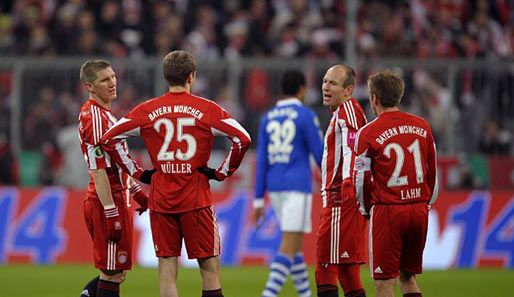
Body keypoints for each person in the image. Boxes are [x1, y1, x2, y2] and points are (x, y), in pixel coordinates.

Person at [98, 50, 252, 297]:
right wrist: (222, 172)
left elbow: (109, 139)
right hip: (196, 198)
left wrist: (138, 172)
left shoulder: (146, 110)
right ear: (191, 76)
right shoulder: (208, 109)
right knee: (210, 269)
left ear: (166, 76)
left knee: (167, 269)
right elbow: (243, 139)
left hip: (161, 200)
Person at [353, 69, 438, 297]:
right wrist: (425, 203)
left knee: (384, 283)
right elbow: (433, 172)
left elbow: (360, 179)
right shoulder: (423, 126)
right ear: (399, 96)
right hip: (419, 209)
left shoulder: (367, 133)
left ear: (374, 99)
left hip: (388, 210)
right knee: (408, 279)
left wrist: (365, 208)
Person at [77, 59, 154, 297]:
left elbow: (114, 165)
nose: (112, 83)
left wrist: (135, 192)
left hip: (116, 195)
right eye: (104, 80)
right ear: (90, 86)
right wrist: (110, 211)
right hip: (106, 199)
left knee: (117, 270)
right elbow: (99, 170)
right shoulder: (96, 118)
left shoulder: (104, 115)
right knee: (111, 272)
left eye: (112, 77)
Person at [254, 70, 324, 297]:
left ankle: (304, 293)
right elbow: (320, 153)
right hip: (297, 185)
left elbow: (262, 160)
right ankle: (268, 294)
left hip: (275, 188)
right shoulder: (305, 115)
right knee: (289, 245)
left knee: (293, 247)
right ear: (302, 88)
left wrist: (257, 200)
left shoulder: (268, 117)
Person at [315, 65, 368, 297]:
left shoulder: (347, 110)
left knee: (325, 269)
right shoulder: (346, 110)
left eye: (333, 83)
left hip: (341, 200)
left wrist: (348, 184)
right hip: (344, 201)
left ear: (348, 90)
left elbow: (352, 149)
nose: (326, 86)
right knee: (348, 272)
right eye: (325, 81)